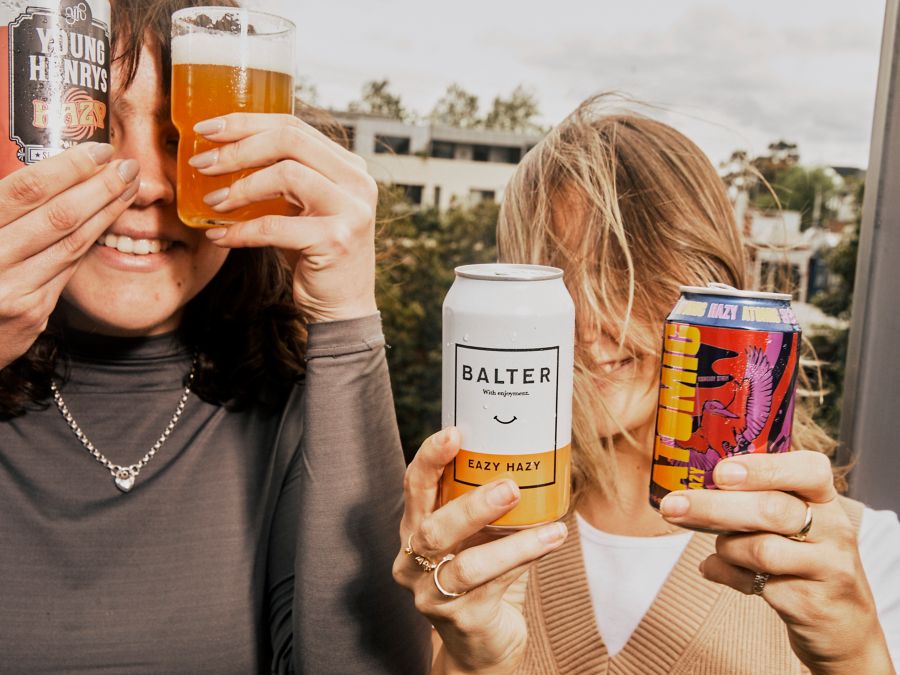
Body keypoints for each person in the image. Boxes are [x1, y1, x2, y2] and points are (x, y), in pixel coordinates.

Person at [394, 96, 900, 674]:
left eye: (618, 269)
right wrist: (473, 664)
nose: (586, 327)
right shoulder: (462, 546)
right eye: (555, 278)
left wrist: (856, 652)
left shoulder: (865, 555)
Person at [0, 0, 431, 672]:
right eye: (93, 128)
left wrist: (348, 314)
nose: (144, 184)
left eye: (185, 137)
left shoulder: (297, 410)